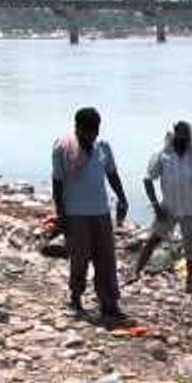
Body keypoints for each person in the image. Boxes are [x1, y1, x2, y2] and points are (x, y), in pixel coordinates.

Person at [52, 107, 129, 321]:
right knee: (79, 259)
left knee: (106, 259)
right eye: (88, 130)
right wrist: (61, 216)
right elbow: (57, 183)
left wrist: (122, 198)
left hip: (101, 212)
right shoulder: (63, 147)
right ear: (77, 128)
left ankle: (109, 302)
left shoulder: (102, 147)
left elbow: (112, 174)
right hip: (75, 214)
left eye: (96, 130)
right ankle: (76, 296)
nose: (92, 135)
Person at [132, 121, 192, 293]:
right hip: (168, 208)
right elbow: (148, 180)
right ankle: (136, 272)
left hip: (191, 208)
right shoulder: (162, 156)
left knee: (191, 246)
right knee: (154, 239)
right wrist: (155, 205)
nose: (183, 140)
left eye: (186, 136)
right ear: (173, 136)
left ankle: (189, 281)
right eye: (180, 135)